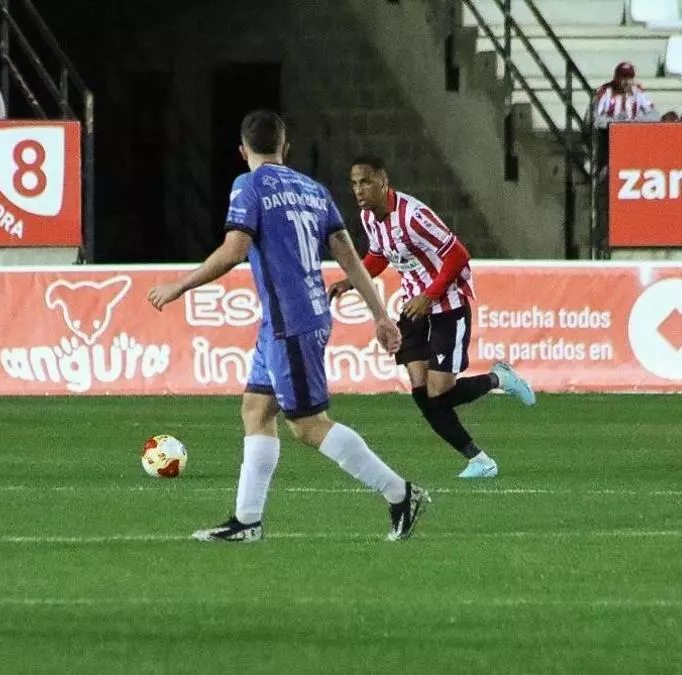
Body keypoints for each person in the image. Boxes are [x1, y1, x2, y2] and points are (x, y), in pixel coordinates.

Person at [147, 110, 430, 543]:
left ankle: (400, 493)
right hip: (293, 319)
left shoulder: (249, 185)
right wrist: (380, 316)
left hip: (291, 322)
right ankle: (247, 521)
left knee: (308, 425)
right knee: (256, 410)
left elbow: (234, 249)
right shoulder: (313, 189)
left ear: (243, 151)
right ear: (287, 147)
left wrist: (180, 285)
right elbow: (349, 256)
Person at [330, 156, 536, 479]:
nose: (359, 190)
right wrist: (351, 280)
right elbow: (379, 255)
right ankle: (479, 459)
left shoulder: (413, 216)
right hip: (414, 308)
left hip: (447, 306)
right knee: (421, 392)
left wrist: (430, 295)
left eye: (365, 182)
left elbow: (458, 255)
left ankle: (500, 379)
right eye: (354, 183)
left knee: (439, 392)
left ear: (383, 182)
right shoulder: (369, 217)